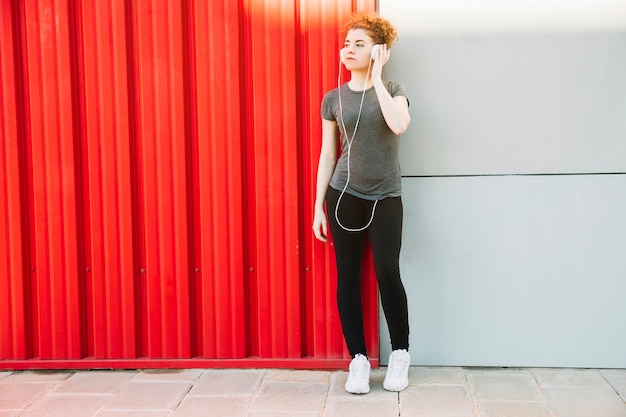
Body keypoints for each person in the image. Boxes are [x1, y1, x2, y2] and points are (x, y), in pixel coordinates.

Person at [312, 12, 411, 394]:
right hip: (344, 195)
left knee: (388, 271)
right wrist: (318, 206)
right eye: (347, 43)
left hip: (385, 195)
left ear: (378, 51)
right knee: (348, 276)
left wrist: (378, 79)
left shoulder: (395, 88)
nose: (349, 49)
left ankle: (400, 354)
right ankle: (357, 360)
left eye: (360, 44)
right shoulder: (333, 98)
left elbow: (399, 124)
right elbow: (327, 155)